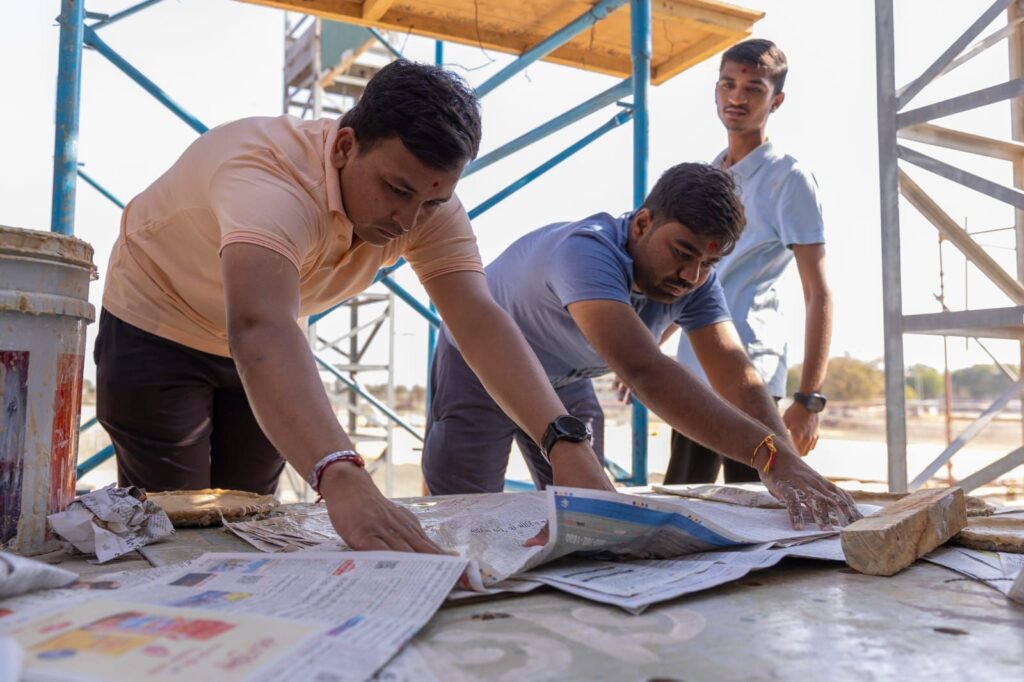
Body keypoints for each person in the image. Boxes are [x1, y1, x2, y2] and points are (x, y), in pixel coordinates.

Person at [95, 60, 611, 554]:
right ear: (344, 146)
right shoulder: (270, 177)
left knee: (248, 517)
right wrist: (340, 473)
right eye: (396, 189)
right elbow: (257, 326)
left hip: (263, 344)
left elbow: (477, 319)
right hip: (159, 323)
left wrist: (564, 442)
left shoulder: (424, 204)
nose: (408, 221)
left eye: (431, 203)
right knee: (175, 523)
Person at [422, 163, 860, 530]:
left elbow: (736, 372)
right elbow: (643, 370)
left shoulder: (696, 283)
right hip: (479, 368)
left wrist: (788, 462)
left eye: (709, 263)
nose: (691, 276)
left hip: (565, 380)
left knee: (593, 514)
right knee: (462, 517)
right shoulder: (585, 251)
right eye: (682, 252)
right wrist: (768, 456)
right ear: (642, 224)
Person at [667, 39, 833, 485]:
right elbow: (690, 278)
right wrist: (646, 344)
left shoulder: (789, 179)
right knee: (684, 501)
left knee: (761, 502)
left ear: (776, 101)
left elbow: (817, 292)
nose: (736, 97)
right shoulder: (709, 175)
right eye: (728, 85)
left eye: (753, 89)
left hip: (749, 373)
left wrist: (809, 399)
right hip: (694, 372)